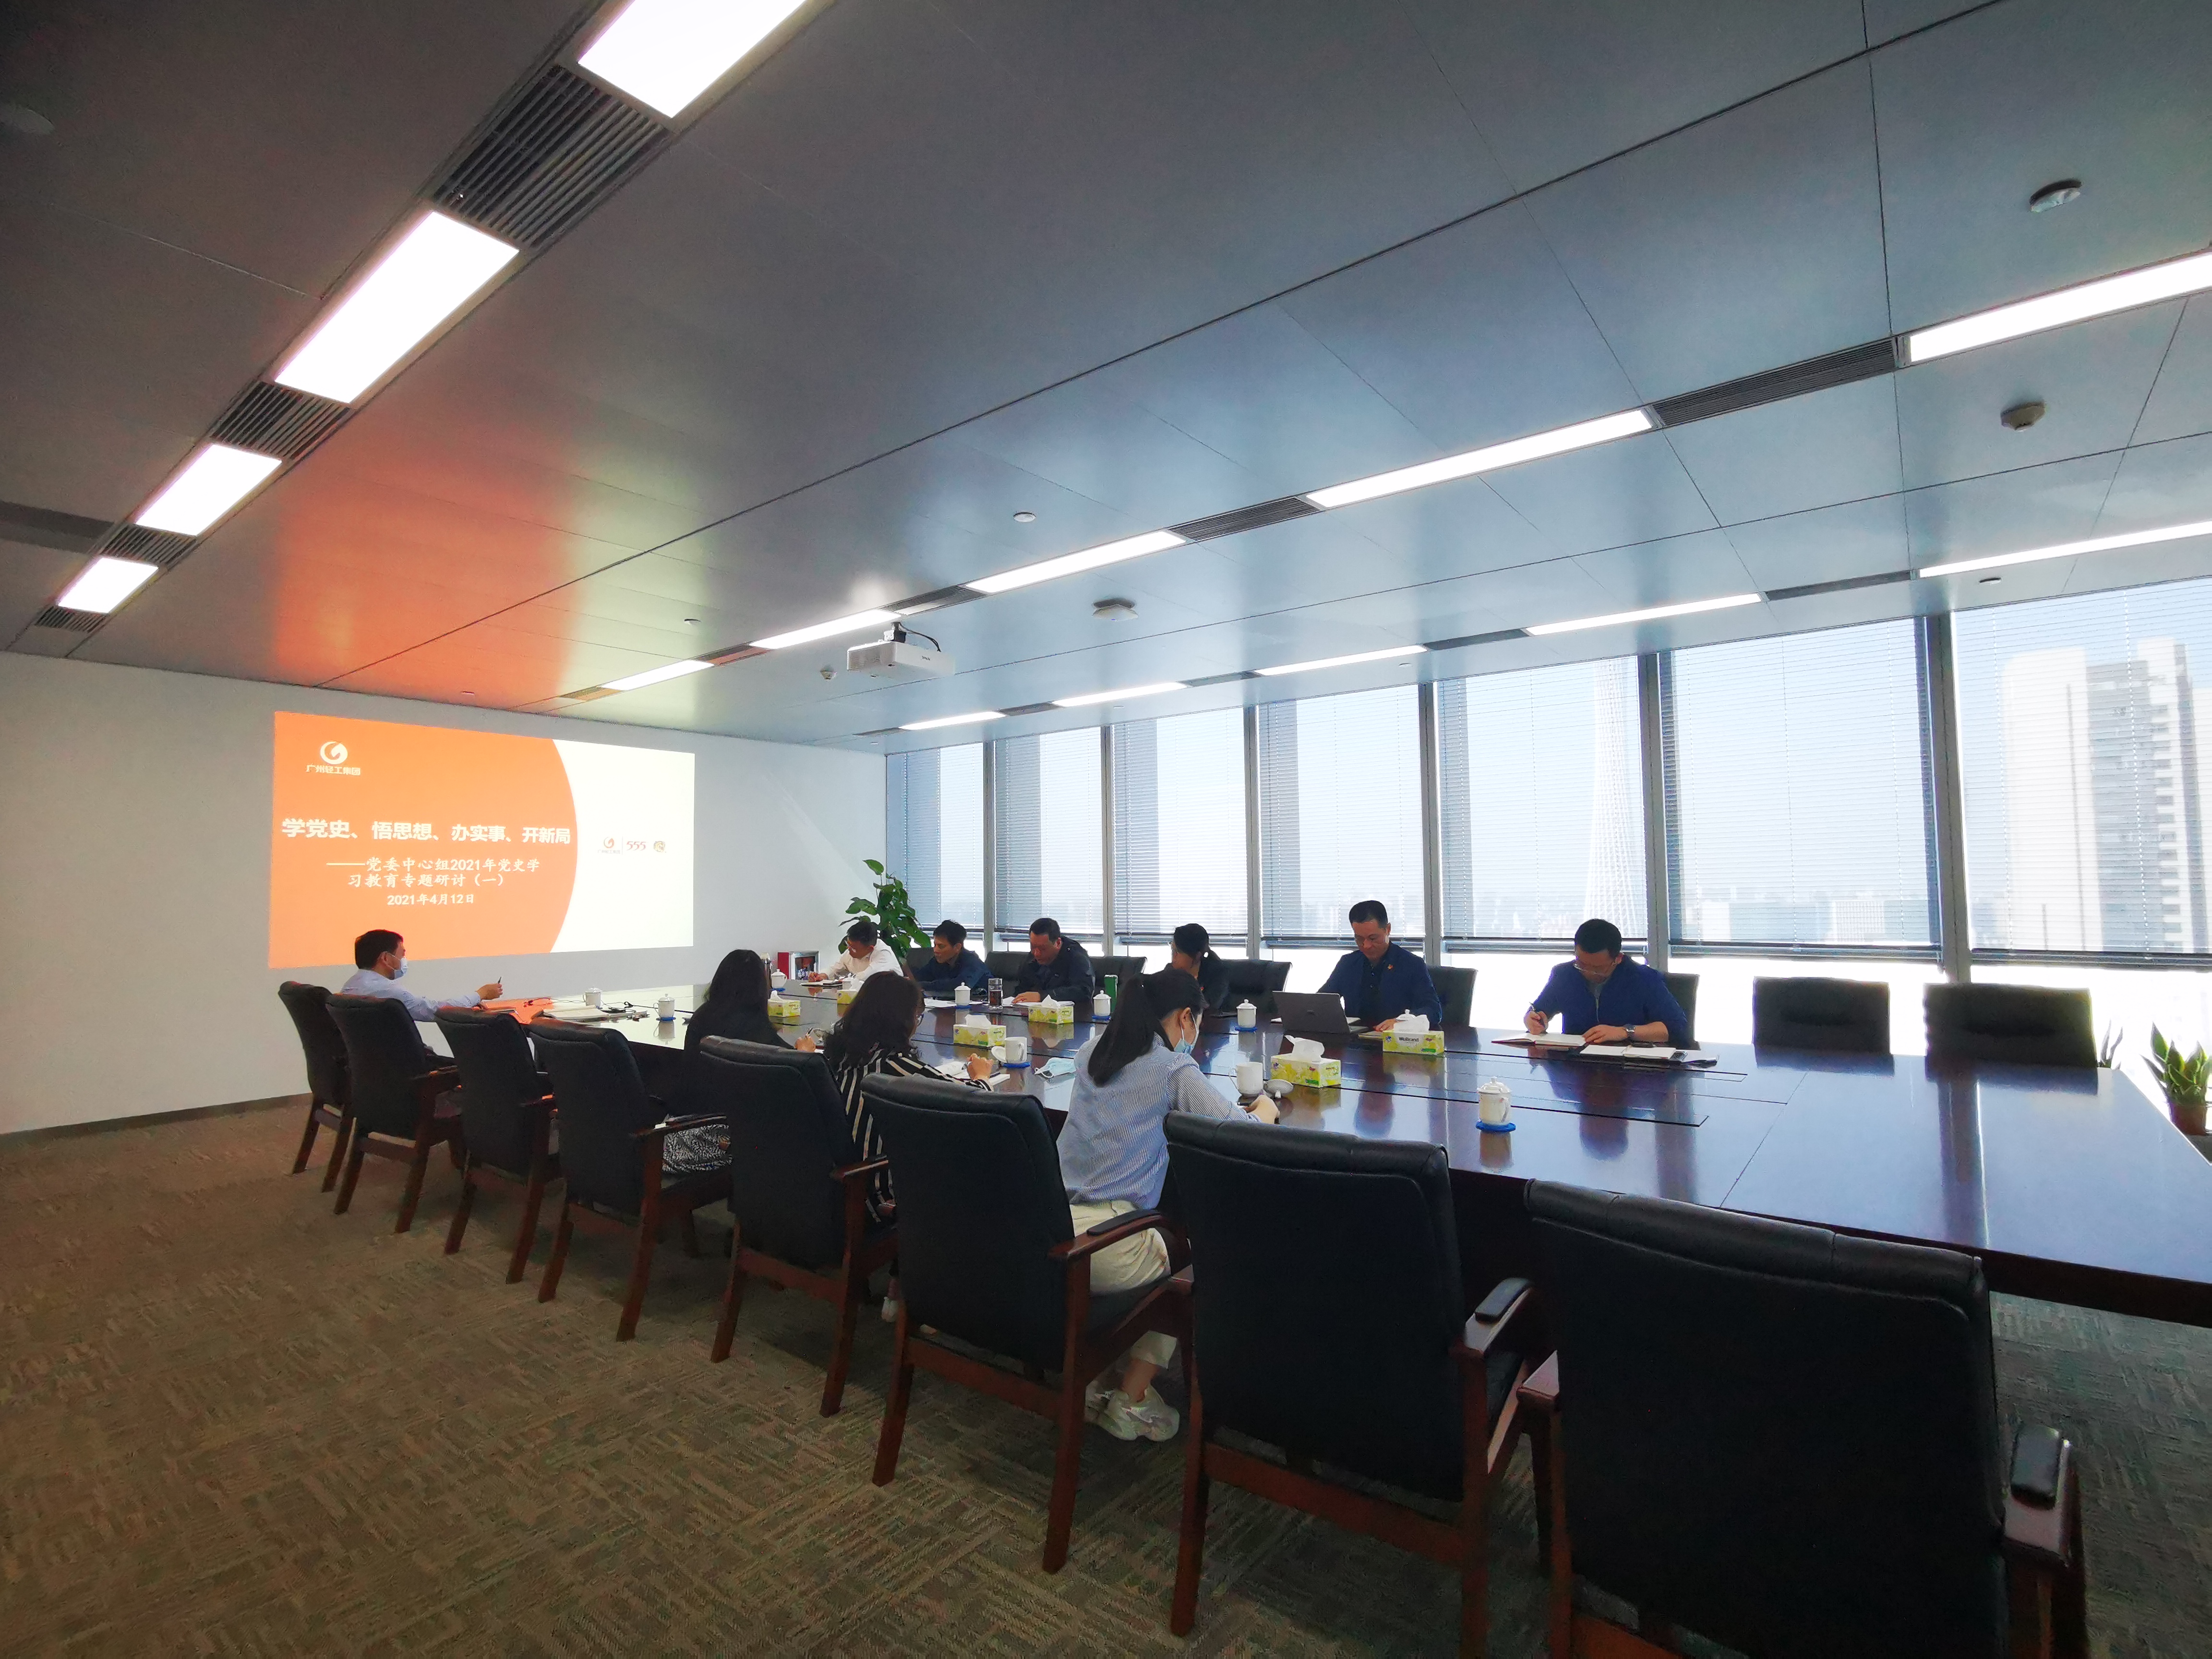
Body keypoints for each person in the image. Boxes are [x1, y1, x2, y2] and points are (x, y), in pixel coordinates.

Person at [1057, 968, 1271, 1443]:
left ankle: (1098, 1381)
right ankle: (1130, 1399)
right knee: (1185, 1261)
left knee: (1161, 1232)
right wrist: (1267, 1111)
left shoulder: (1091, 1052)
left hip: (1052, 1229)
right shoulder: (1172, 1068)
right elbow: (1236, 1133)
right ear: (1185, 1018)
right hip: (1105, 1246)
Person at [798, 973, 993, 1320]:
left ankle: (901, 1281)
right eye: (917, 1016)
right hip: (873, 1195)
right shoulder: (895, 1065)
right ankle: (924, 1294)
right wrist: (982, 1076)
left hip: (826, 1187)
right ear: (903, 1020)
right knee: (965, 1167)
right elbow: (973, 1102)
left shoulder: (836, 1057)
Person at [662, 949, 787, 1175]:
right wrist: (805, 1050)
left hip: (675, 1133)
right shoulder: (755, 1027)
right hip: (713, 1140)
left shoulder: (702, 1015)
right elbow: (788, 1061)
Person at [1525, 917, 1690, 1047]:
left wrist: (1625, 1032)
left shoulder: (1644, 978)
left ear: (1618, 959)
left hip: (1630, 1067)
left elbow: (1677, 1028)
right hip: (1576, 1064)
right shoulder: (1564, 974)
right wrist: (1533, 1019)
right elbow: (1538, 1011)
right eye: (1581, 964)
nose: (1587, 972)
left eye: (1597, 968)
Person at [1316, 901, 1443, 1030]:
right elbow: (1320, 1002)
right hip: (1355, 1038)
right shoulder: (1348, 963)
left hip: (1394, 1038)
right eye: (1359, 939)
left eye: (1373, 938)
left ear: (1388, 930)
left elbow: (1433, 1010)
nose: (1366, 946)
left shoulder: (1412, 964)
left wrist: (1402, 1021)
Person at [339, 929, 501, 1022]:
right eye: (402, 955)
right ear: (386, 959)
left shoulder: (350, 988)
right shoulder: (390, 993)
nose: (404, 960)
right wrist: (481, 994)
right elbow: (438, 1011)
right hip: (409, 1065)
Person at [1010, 916, 1095, 1004]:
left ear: (1058, 943)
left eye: (1043, 949)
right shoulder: (1033, 957)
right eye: (1033, 947)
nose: (1037, 954)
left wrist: (1043, 996)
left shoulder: (1076, 956)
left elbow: (1084, 991)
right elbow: (1022, 988)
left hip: (1072, 1011)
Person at [909, 918, 988, 999]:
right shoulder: (937, 962)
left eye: (941, 946)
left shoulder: (973, 962)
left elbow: (960, 985)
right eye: (935, 945)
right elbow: (919, 977)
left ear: (957, 947)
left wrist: (922, 985)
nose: (936, 950)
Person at [1169, 922, 1233, 1013]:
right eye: (1172, 949)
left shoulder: (1218, 974)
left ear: (1197, 956)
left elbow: (1209, 1006)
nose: (1174, 957)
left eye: (1178, 952)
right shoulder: (1170, 971)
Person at [829, 918, 901, 980]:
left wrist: (846, 980)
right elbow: (836, 968)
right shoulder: (853, 950)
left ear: (870, 949)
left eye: (854, 948)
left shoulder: (884, 954)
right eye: (849, 945)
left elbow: (866, 977)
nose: (849, 950)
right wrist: (825, 975)